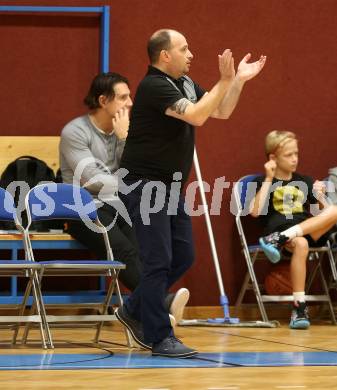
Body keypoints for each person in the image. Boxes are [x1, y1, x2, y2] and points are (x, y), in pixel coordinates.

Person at [116, 29, 267, 358]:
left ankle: (132, 309)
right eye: (184, 49)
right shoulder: (153, 86)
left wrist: (237, 80)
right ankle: (160, 337)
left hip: (169, 187)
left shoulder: (183, 83)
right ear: (165, 55)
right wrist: (223, 81)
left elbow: (220, 111)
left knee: (183, 255)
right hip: (142, 183)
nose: (191, 54)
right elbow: (197, 116)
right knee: (158, 261)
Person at [59, 72, 190, 324]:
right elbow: (91, 179)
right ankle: (160, 303)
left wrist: (125, 139)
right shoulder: (74, 132)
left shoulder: (126, 130)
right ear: (103, 100)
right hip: (80, 209)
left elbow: (139, 170)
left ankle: (143, 307)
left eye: (130, 96)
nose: (130, 103)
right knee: (126, 252)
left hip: (118, 205)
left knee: (146, 250)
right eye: (123, 97)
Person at [250, 130, 337, 329]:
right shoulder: (262, 182)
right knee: (301, 243)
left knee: (334, 210)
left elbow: (325, 213)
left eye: (296, 153)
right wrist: (269, 178)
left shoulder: (304, 181)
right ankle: (299, 308)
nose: (294, 159)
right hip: (280, 226)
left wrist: (320, 196)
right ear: (273, 158)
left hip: (301, 227)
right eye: (289, 155)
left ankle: (280, 238)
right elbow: (255, 212)